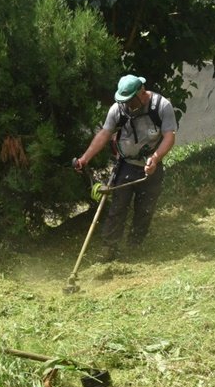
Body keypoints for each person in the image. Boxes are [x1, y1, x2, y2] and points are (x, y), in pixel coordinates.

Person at [73, 75, 177, 261]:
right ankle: (108, 248)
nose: (127, 105)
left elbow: (169, 136)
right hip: (125, 165)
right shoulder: (118, 109)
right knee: (118, 207)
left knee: (145, 209)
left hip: (151, 167)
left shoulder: (161, 106)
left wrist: (155, 158)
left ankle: (135, 245)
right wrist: (84, 159)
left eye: (130, 100)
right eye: (124, 101)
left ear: (141, 92)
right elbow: (105, 134)